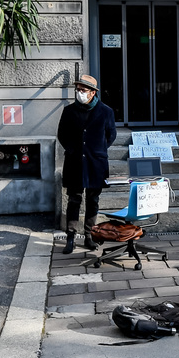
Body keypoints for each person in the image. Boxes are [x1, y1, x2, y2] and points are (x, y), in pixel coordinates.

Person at [57, 74, 117, 254]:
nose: (79, 93)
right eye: (78, 90)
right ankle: (70, 236)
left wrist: (97, 149)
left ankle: (89, 235)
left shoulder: (106, 111)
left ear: (92, 93)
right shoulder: (69, 111)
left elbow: (111, 135)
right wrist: (73, 149)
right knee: (74, 199)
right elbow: (62, 134)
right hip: (74, 162)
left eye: (83, 90)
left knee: (93, 200)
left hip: (95, 163)